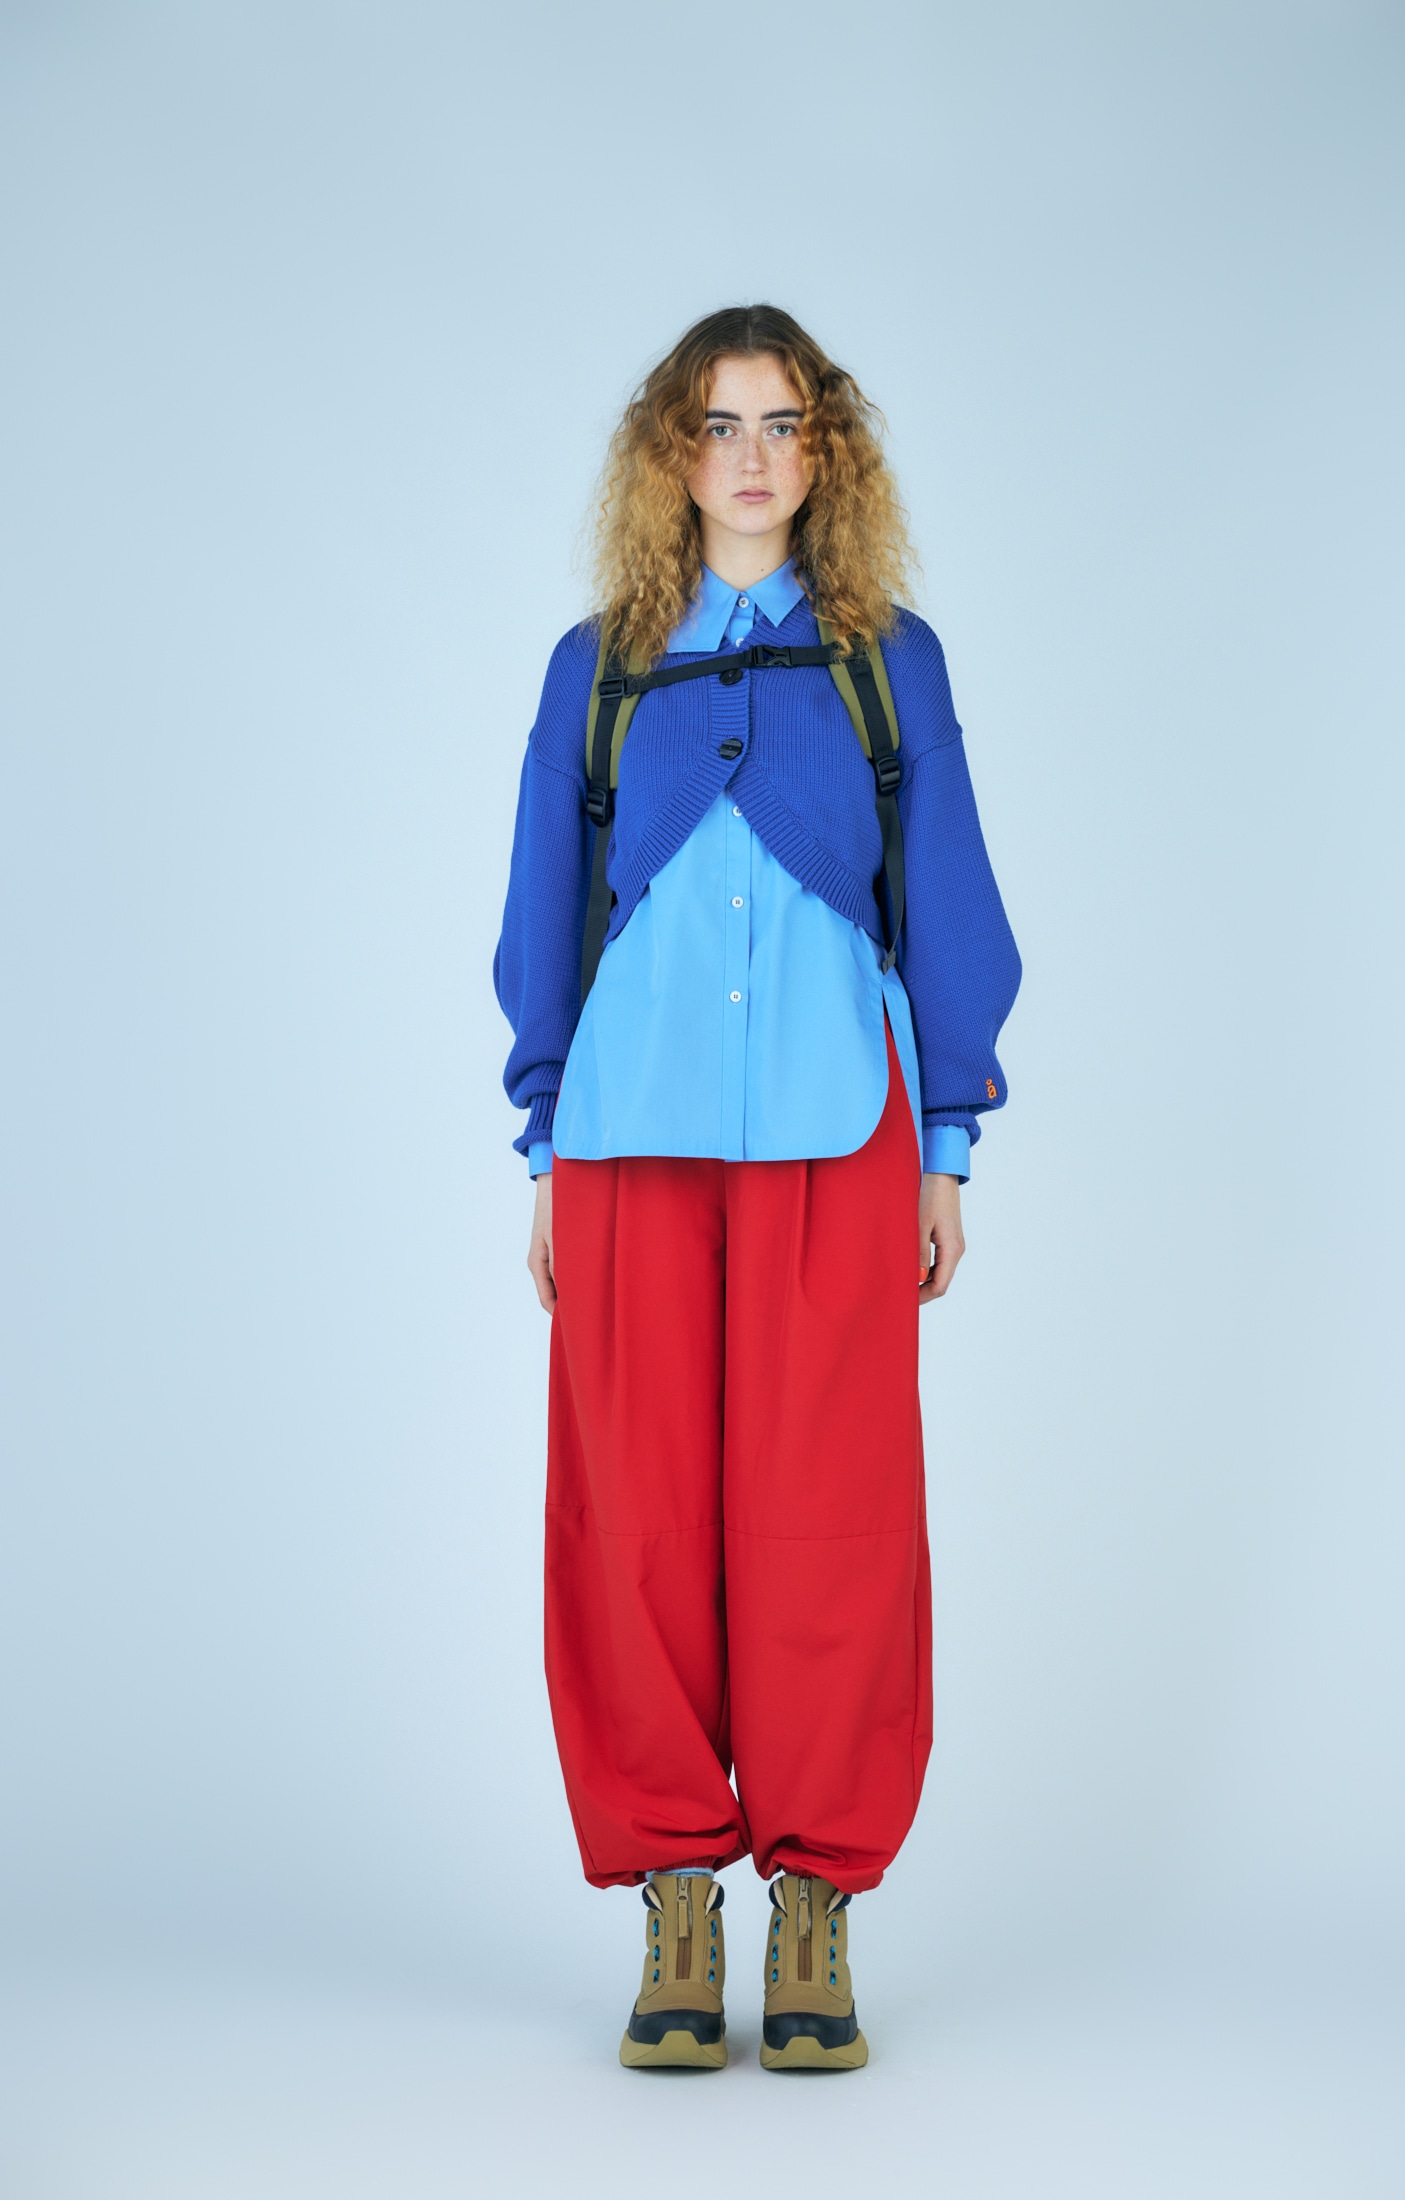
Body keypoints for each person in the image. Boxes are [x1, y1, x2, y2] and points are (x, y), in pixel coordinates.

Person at [495, 304, 1020, 2071]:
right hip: (626, 1142)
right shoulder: (597, 668)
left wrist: (946, 1143)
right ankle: (672, 1892)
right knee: (633, 1519)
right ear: (672, 453)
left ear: (826, 453)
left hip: (836, 1137)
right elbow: (544, 909)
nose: (751, 458)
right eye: (719, 426)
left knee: (831, 1517)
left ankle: (814, 1904)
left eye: (784, 425)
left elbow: (946, 895)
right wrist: (544, 1143)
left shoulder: (888, 662)